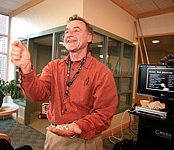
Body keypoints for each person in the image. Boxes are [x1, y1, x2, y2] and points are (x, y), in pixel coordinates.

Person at [11, 14, 118, 150]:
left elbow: (104, 114)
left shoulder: (102, 72)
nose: (69, 34)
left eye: (76, 30)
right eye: (67, 31)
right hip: (54, 136)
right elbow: (36, 95)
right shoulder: (53, 66)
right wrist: (26, 69)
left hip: (85, 139)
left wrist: (78, 126)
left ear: (89, 37)